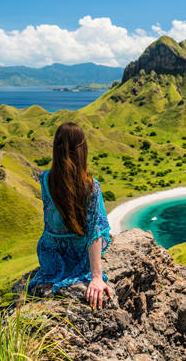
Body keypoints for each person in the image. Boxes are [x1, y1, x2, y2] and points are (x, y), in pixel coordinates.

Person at [30, 122, 112, 309]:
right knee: (103, 228)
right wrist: (96, 277)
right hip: (78, 254)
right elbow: (95, 232)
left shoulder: (45, 179)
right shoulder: (91, 186)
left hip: (50, 253)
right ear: (82, 150)